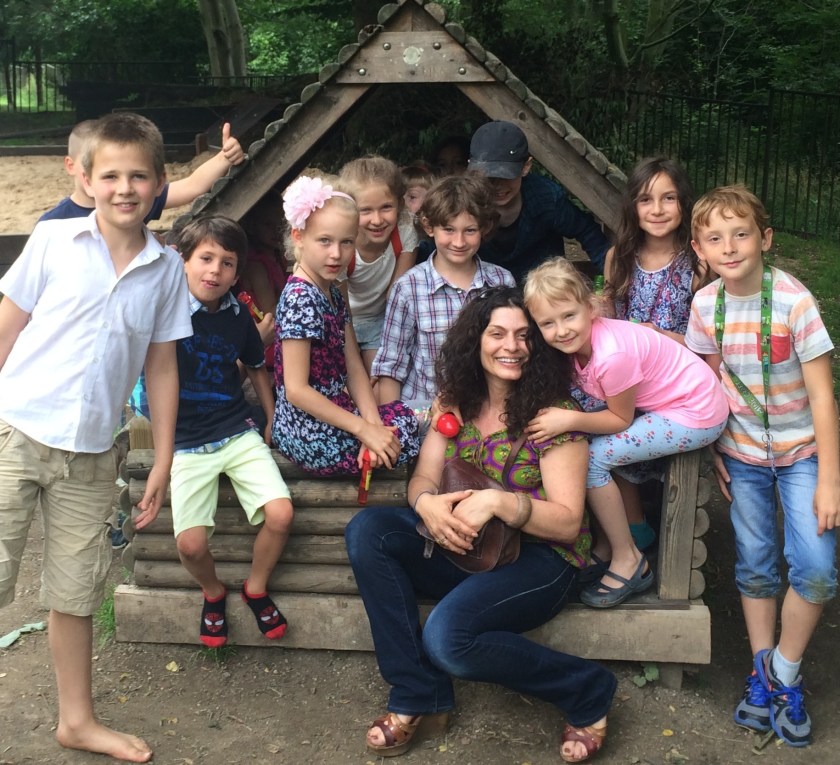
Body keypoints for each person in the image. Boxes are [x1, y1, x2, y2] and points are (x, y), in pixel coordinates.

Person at [346, 287, 615, 763]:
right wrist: (426, 504)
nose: (511, 346)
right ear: (476, 341)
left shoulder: (552, 415)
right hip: (466, 547)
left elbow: (569, 524)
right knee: (370, 531)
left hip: (541, 560)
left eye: (524, 336)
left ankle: (588, 689)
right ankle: (417, 692)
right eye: (497, 334)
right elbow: (424, 477)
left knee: (448, 640)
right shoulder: (457, 402)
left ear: (539, 346)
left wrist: (499, 502)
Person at [0, 112, 192, 762]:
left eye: (139, 174)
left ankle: (76, 720)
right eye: (110, 174)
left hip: (92, 454)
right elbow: (6, 326)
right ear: (85, 176)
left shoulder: (167, 270)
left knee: (75, 589)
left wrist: (161, 455)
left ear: (161, 182)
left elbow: (162, 365)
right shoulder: (53, 241)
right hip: (15, 430)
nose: (124, 187)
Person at [685, 185, 839, 747]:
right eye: (715, 238)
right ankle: (760, 669)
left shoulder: (795, 303)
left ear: (765, 239)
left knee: (817, 568)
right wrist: (712, 449)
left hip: (802, 455)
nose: (730, 247)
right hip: (742, 456)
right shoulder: (704, 307)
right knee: (755, 563)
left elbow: (824, 397)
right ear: (700, 250)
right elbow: (703, 388)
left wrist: (830, 478)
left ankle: (785, 672)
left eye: (741, 233)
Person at [523, 258, 728, 608]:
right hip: (671, 401)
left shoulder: (611, 355)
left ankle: (629, 558)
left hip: (696, 412)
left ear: (590, 309)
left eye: (569, 316)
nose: (561, 330)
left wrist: (567, 421)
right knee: (590, 446)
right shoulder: (580, 346)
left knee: (592, 458)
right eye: (548, 323)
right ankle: (607, 545)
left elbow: (619, 419)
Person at [167, 215, 294, 648]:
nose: (214, 271)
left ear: (237, 273)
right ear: (181, 261)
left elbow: (256, 364)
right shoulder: (164, 314)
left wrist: (273, 415)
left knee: (281, 513)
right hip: (185, 442)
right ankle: (213, 591)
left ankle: (255, 588)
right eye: (205, 258)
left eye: (226, 263)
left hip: (235, 428)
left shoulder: (238, 314)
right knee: (190, 546)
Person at [595, 157, 708, 560]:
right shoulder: (618, 258)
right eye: (646, 200)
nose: (657, 209)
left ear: (684, 204)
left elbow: (710, 344)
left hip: (674, 388)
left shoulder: (698, 265)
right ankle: (630, 526)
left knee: (616, 430)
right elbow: (608, 318)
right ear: (633, 207)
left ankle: (634, 535)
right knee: (594, 419)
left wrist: (660, 337)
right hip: (626, 382)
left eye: (668, 198)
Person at [272, 175, 420, 476]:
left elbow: (353, 364)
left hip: (336, 416)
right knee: (411, 423)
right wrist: (362, 429)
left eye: (346, 242)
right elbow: (296, 390)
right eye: (324, 241)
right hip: (307, 432)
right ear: (298, 236)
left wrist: (373, 427)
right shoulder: (301, 297)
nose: (336, 254)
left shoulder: (333, 291)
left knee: (396, 424)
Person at [371, 174, 514, 411]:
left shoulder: (501, 281)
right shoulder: (408, 288)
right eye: (448, 229)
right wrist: (394, 423)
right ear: (429, 226)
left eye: (469, 230)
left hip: (486, 408)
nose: (458, 241)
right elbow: (391, 365)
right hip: (425, 410)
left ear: (484, 228)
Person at [467, 120, 609, 281]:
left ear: (526, 167)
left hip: (543, 290)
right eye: (490, 177)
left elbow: (587, 232)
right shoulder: (465, 202)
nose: (498, 185)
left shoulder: (546, 199)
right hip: (486, 291)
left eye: (507, 175)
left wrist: (612, 280)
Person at [39, 119, 246, 224]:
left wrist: (224, 157)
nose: (124, 188)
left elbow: (192, 186)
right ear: (71, 166)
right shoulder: (54, 223)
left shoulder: (132, 203)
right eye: (109, 174)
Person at [338, 156, 419, 371]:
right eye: (365, 210)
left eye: (386, 207)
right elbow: (341, 311)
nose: (377, 220)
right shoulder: (344, 245)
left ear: (400, 204)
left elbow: (396, 294)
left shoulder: (404, 232)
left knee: (380, 376)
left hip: (382, 319)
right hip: (344, 323)